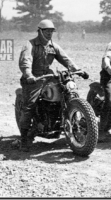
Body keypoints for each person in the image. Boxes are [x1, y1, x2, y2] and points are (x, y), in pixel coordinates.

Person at [18, 19, 88, 152]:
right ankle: (24, 139)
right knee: (30, 106)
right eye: (47, 31)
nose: (50, 33)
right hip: (34, 78)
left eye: (51, 31)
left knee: (67, 91)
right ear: (40, 31)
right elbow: (25, 61)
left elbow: (66, 59)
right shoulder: (30, 45)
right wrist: (29, 75)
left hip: (49, 76)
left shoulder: (53, 46)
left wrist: (78, 70)